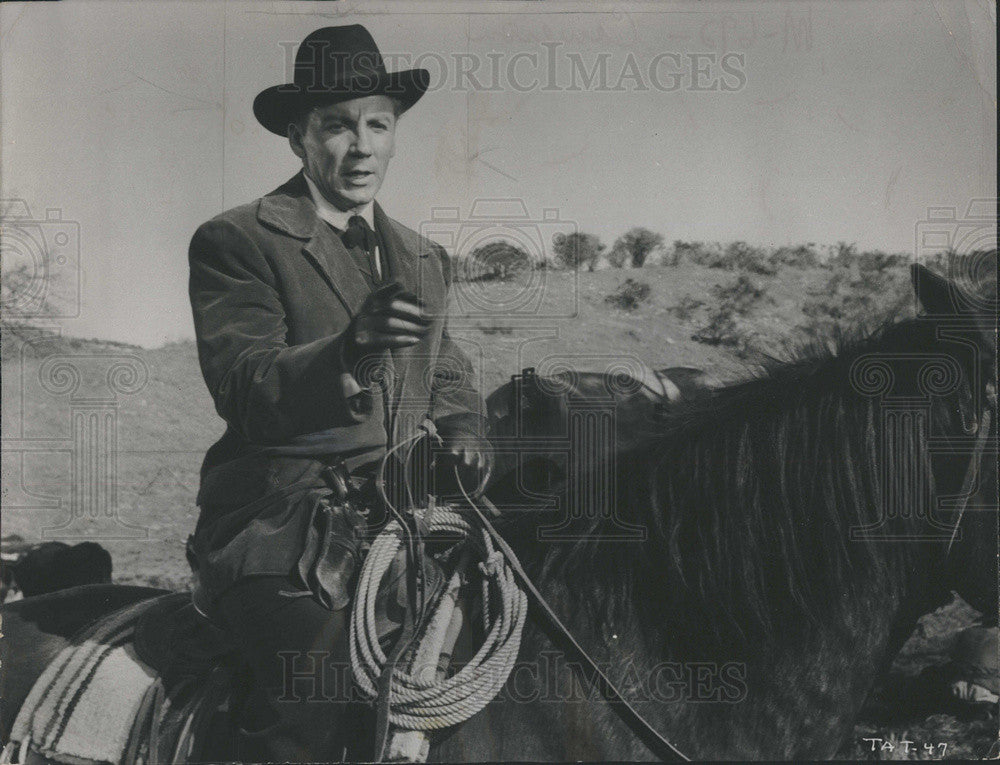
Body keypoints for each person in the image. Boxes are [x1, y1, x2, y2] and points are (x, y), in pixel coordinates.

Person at [184, 25, 492, 761]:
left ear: (394, 135)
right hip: (283, 525)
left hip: (413, 512)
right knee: (312, 701)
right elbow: (246, 385)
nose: (360, 147)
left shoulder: (422, 256)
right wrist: (349, 348)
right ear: (299, 137)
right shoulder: (237, 241)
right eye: (336, 126)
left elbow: (443, 365)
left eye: (376, 125)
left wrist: (463, 422)